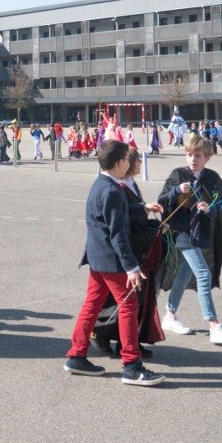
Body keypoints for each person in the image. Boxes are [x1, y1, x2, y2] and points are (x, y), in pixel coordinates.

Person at [63, 139, 165, 386]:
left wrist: (141, 207)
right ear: (120, 162)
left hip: (98, 258)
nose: (130, 163)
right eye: (128, 159)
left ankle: (76, 354)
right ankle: (131, 365)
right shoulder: (112, 190)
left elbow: (116, 214)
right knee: (129, 307)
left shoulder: (102, 184)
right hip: (112, 261)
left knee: (92, 304)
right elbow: (117, 234)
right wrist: (132, 267)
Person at [158, 134, 222, 345]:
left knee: (184, 274)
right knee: (203, 274)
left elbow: (220, 204)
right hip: (180, 233)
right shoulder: (178, 174)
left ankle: (169, 316)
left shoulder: (213, 178)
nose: (193, 159)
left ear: (207, 158)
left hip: (200, 232)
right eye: (189, 154)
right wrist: (176, 190)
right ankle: (214, 325)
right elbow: (162, 199)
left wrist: (209, 208)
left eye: (198, 155)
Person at [92, 149, 165, 357]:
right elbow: (122, 221)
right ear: (125, 163)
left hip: (139, 246)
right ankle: (104, 335)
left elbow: (134, 215)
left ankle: (130, 340)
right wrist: (145, 212)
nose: (141, 163)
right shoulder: (115, 187)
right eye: (136, 160)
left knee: (138, 299)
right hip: (127, 249)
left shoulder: (129, 183)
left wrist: (151, 221)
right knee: (120, 302)